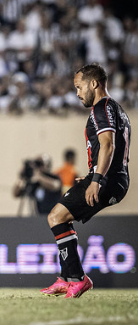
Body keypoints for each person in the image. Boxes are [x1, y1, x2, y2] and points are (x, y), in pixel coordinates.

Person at [41, 63, 131, 298]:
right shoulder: (116, 108)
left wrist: (97, 179)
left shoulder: (101, 108)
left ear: (94, 84)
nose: (77, 93)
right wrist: (93, 173)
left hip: (108, 179)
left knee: (56, 216)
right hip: (114, 177)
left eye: (79, 87)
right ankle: (66, 277)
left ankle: (78, 279)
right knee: (63, 217)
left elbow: (108, 145)